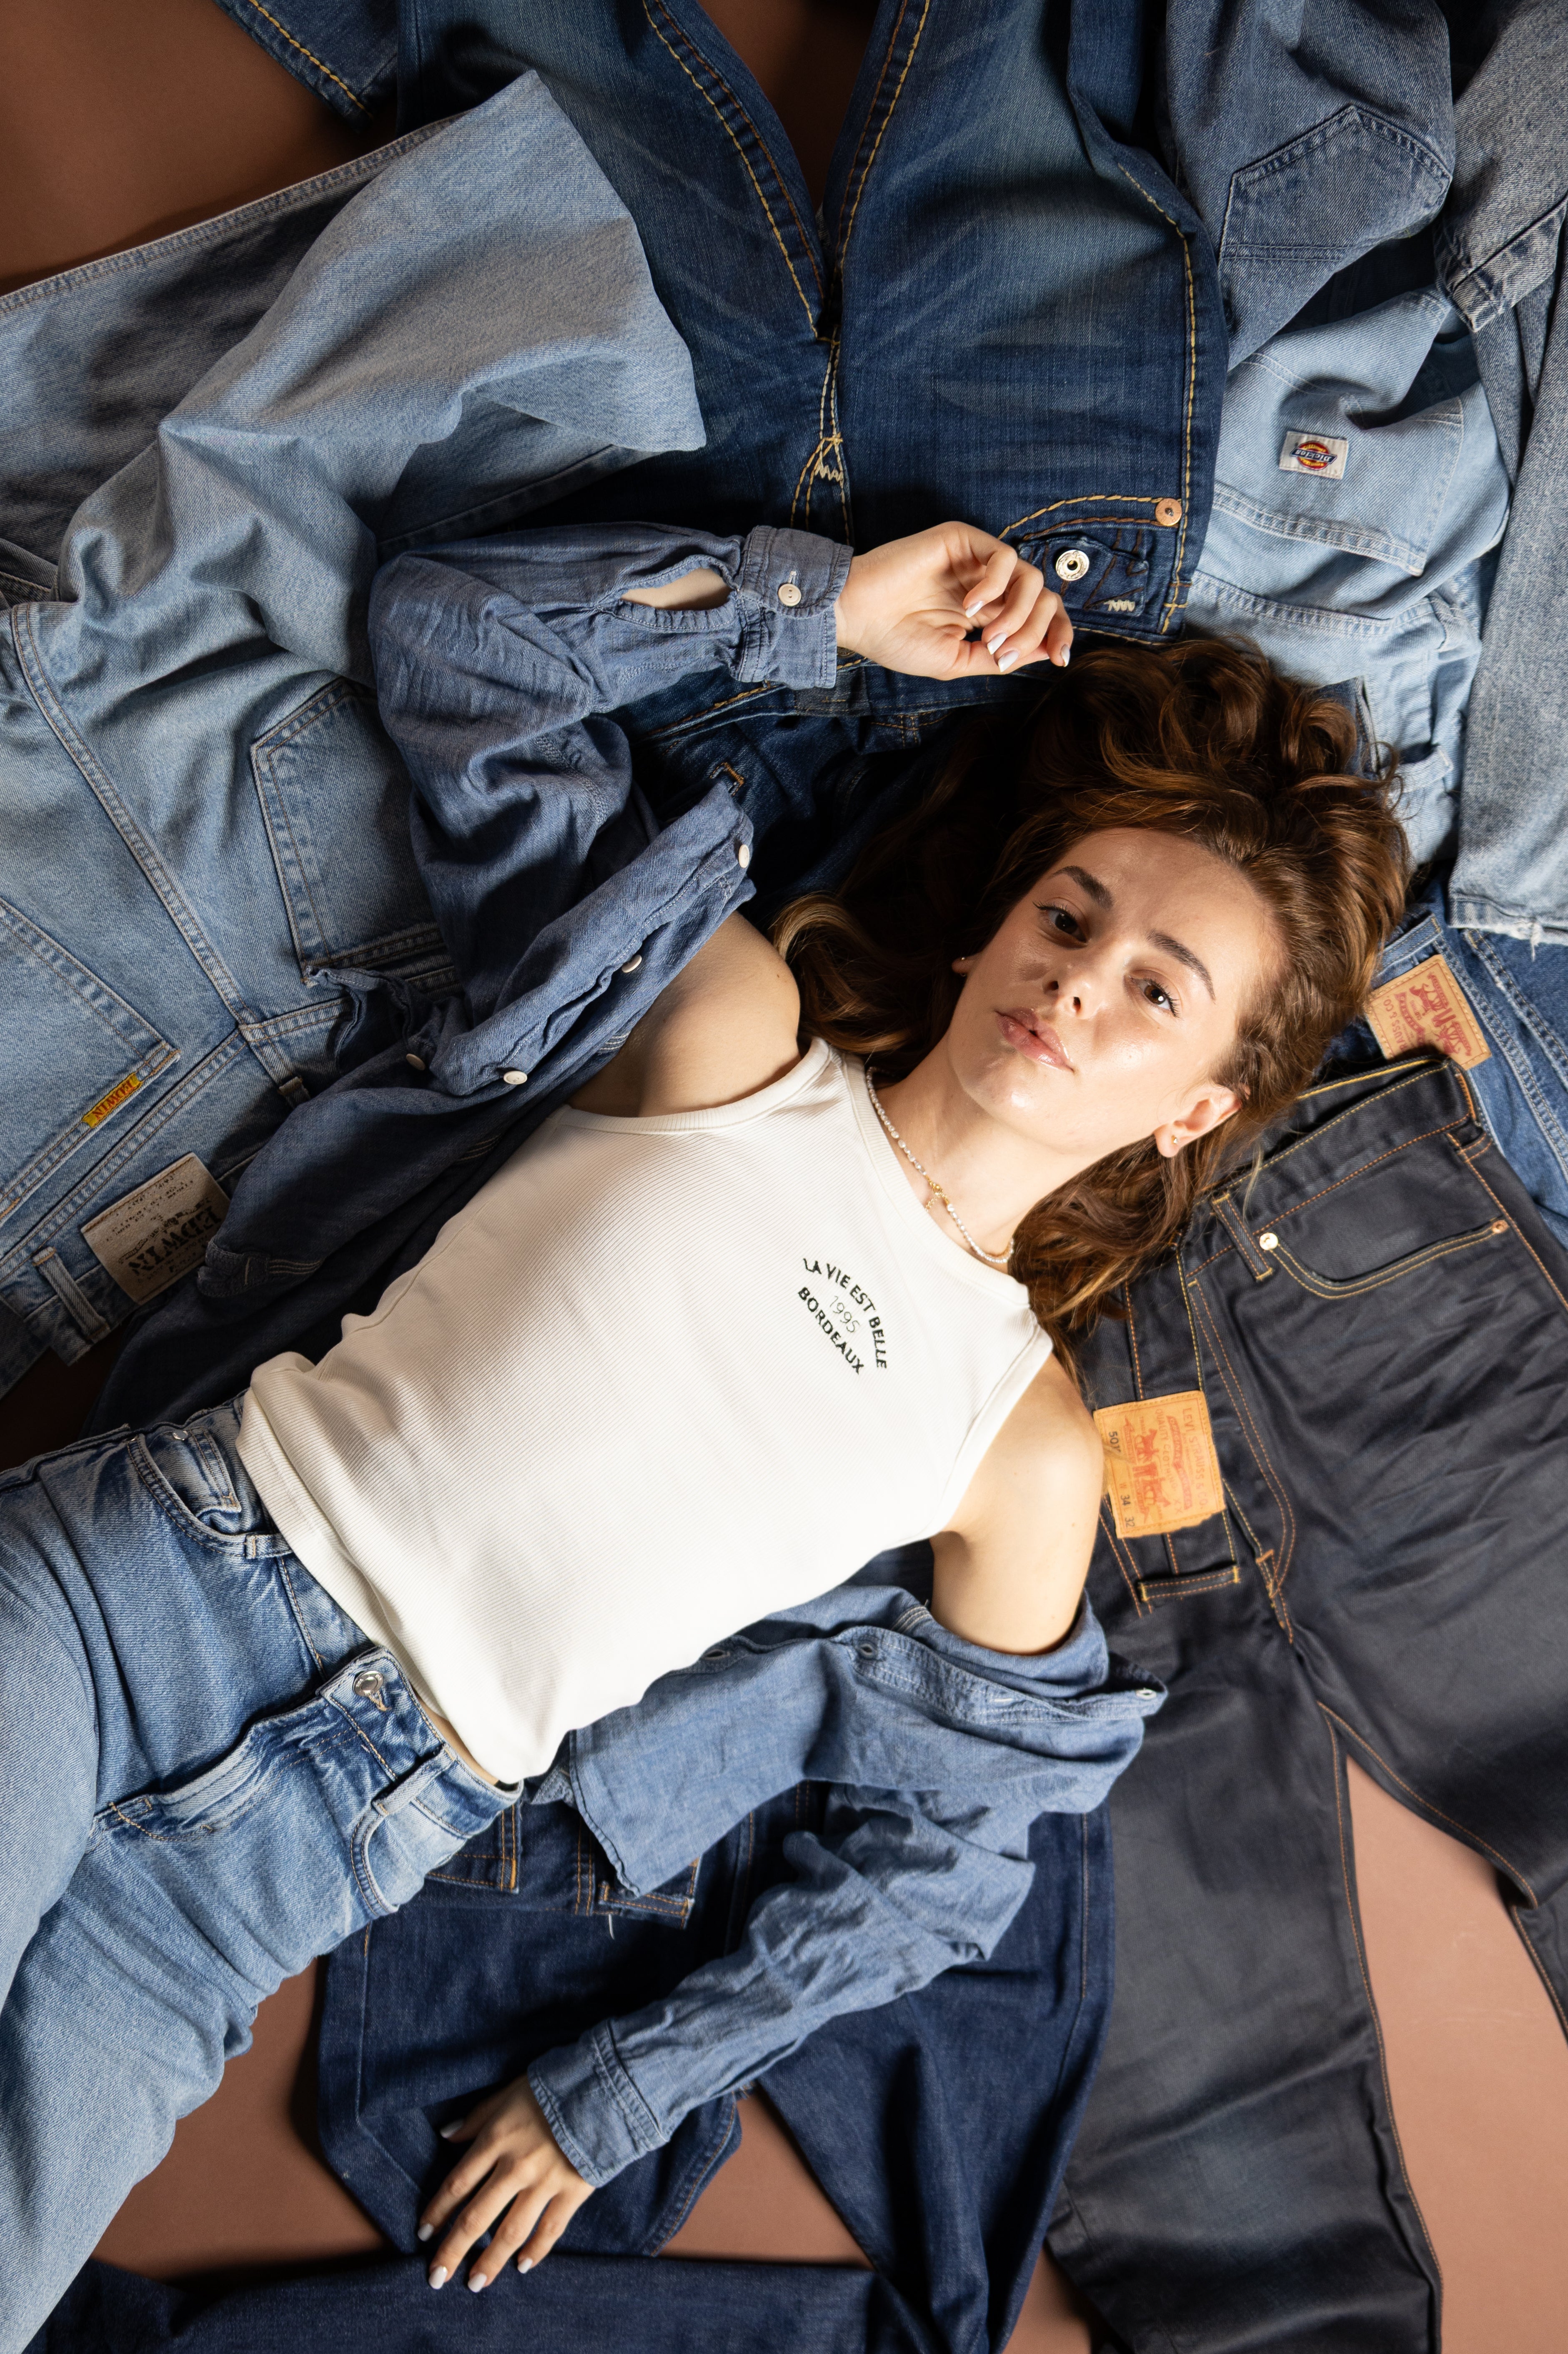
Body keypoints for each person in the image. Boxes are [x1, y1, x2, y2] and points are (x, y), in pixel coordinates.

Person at [0, 523, 1406, 2344]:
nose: (1078, 981)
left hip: (286, 1862)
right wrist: (819, 607)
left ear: (1194, 1108)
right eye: (1069, 918)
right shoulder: (733, 1030)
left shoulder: (1023, 1451)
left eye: (1155, 989)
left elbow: (954, 1860)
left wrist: (624, 2090)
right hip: (131, 1597)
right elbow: (459, 641)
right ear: (990, 928)